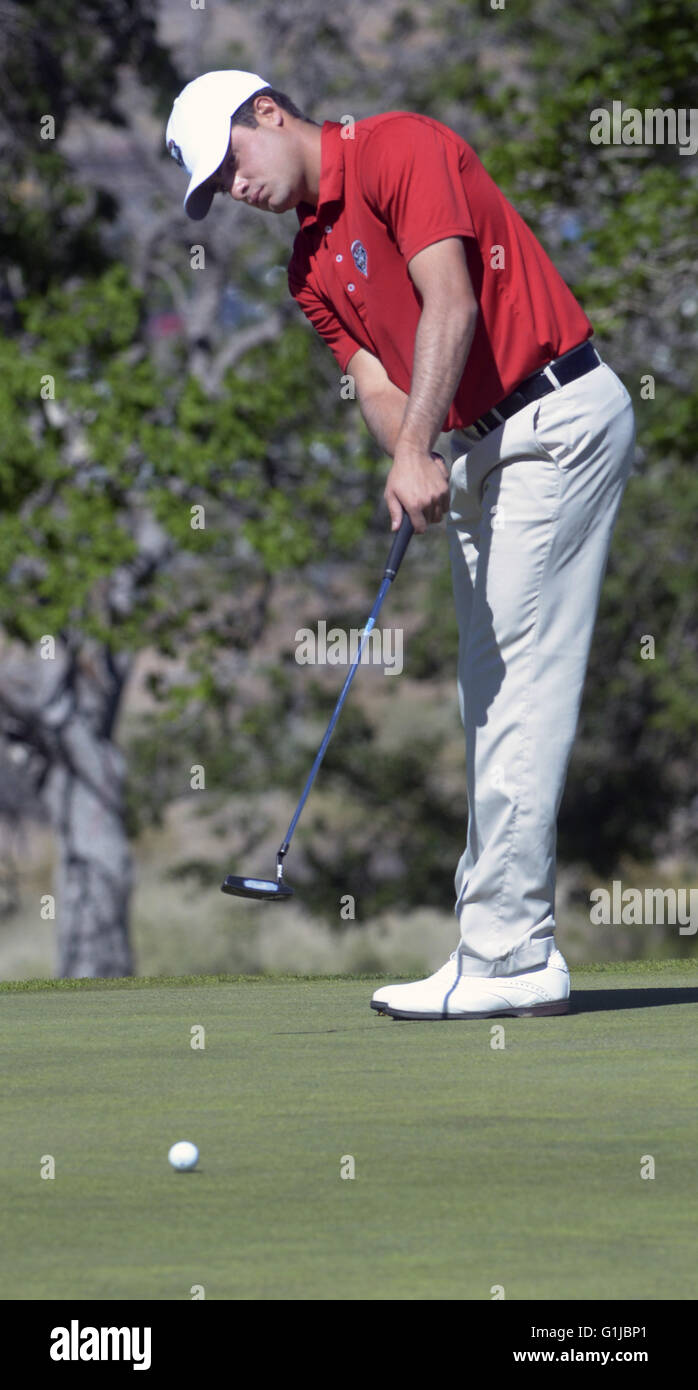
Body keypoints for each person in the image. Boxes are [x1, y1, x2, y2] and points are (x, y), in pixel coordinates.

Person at [166, 71, 636, 1019]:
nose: (234, 190)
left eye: (231, 163)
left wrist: (421, 450)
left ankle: (507, 957)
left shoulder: (398, 148)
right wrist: (411, 456)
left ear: (267, 112)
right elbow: (379, 385)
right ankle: (504, 943)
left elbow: (452, 305)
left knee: (517, 691)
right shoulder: (307, 266)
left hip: (556, 419)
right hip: (479, 451)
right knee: (488, 697)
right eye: (215, 190)